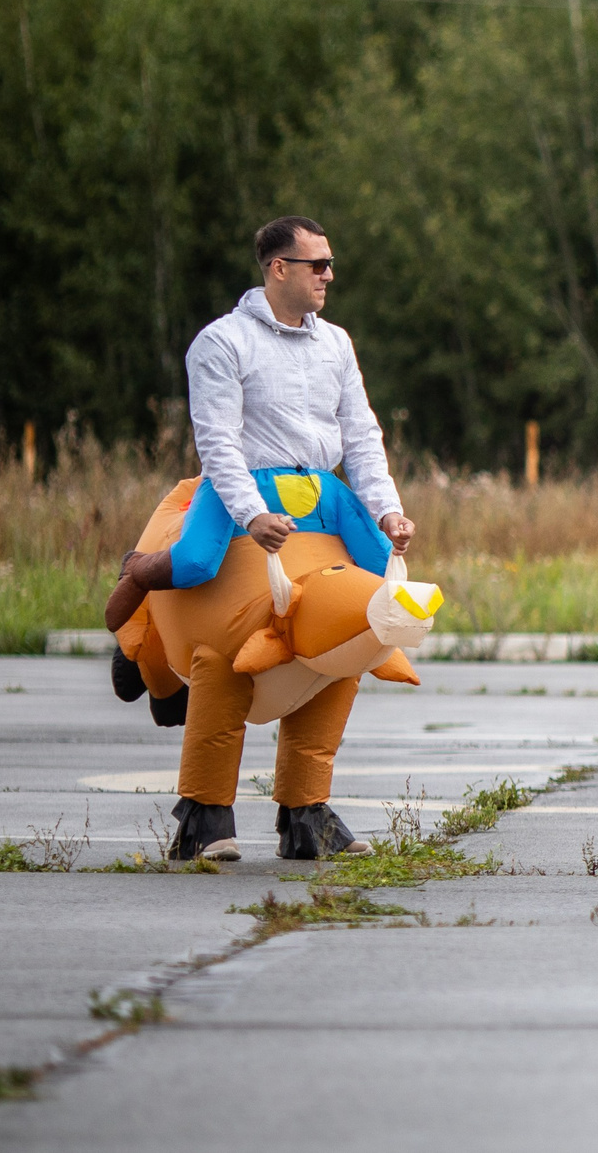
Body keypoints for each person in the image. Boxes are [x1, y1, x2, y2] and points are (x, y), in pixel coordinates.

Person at [114, 216, 414, 861]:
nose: (329, 275)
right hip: (245, 491)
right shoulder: (222, 342)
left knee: (377, 592)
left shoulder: (336, 343)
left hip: (321, 496)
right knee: (198, 565)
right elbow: (218, 442)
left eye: (330, 263)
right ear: (279, 268)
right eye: (318, 264)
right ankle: (141, 608)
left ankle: (307, 815)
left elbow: (362, 436)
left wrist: (389, 512)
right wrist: (250, 514)